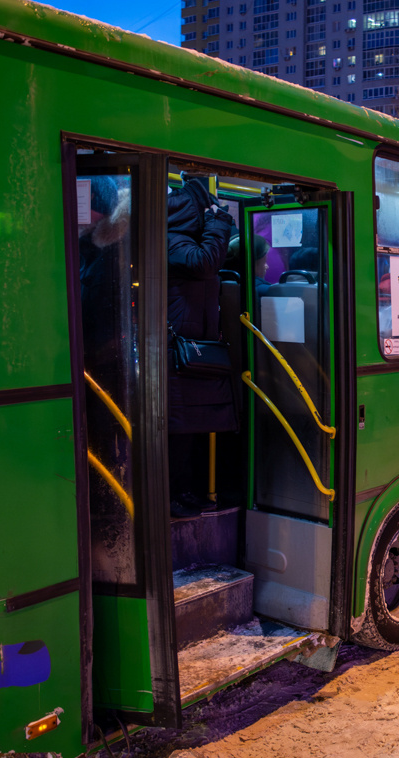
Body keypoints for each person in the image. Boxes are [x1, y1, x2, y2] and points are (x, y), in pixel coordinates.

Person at [167, 176, 236, 518]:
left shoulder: (182, 238)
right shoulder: (172, 242)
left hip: (197, 342)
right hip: (179, 347)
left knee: (192, 428)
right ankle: (171, 494)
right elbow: (205, 262)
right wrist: (218, 222)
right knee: (179, 429)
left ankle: (186, 490)